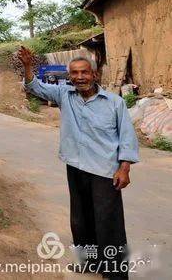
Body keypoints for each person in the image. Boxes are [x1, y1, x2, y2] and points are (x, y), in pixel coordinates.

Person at [17, 47, 139, 279]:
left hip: (105, 169)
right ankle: (90, 263)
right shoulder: (65, 95)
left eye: (84, 72)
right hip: (75, 165)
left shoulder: (114, 103)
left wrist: (124, 168)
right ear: (69, 76)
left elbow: (127, 137)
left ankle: (114, 272)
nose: (79, 77)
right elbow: (35, 87)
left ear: (94, 75)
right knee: (80, 218)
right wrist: (27, 66)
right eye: (74, 73)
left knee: (108, 222)